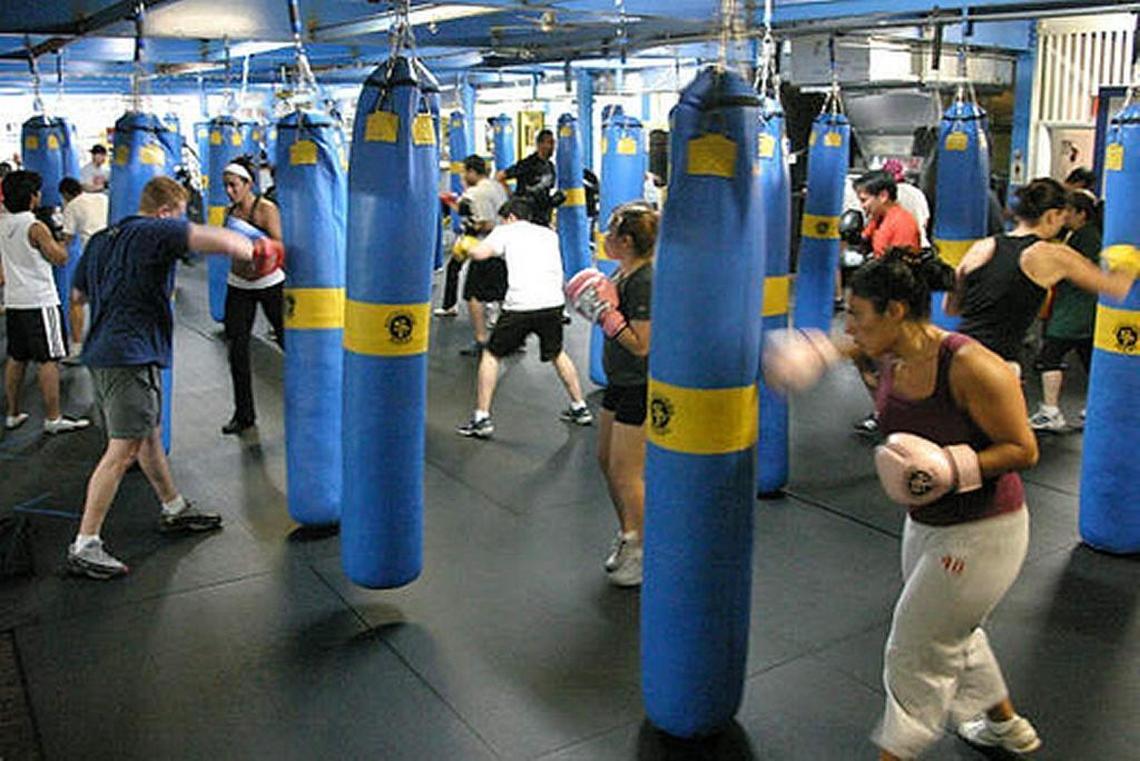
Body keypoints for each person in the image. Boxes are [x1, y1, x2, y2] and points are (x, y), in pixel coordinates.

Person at [764, 252, 1043, 760]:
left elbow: (1025, 449)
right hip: (925, 521)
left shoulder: (970, 366)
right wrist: (813, 352)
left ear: (895, 311)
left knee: (913, 652)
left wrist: (950, 468)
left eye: (858, 313)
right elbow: (843, 347)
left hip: (985, 531)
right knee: (949, 627)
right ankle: (1007, 727)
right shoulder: (882, 349)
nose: (849, 325)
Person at [68, 176, 278, 579]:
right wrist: (258, 249)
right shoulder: (158, 229)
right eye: (179, 215)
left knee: (147, 435)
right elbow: (223, 242)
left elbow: (78, 297)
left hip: (104, 352)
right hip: (129, 354)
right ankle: (85, 543)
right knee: (122, 450)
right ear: (167, 210)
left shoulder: (101, 240)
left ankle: (173, 507)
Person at [945, 178, 1134, 378]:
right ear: (1052, 216)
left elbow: (950, 308)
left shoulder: (982, 246)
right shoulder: (1052, 255)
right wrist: (1129, 261)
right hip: (994, 367)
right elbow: (1116, 288)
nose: (1063, 225)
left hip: (956, 354)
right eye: (1063, 218)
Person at [568, 202, 657, 588]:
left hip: (639, 383)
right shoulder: (623, 273)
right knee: (606, 461)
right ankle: (628, 535)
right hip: (619, 381)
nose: (603, 235)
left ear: (625, 241)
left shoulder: (644, 281)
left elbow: (641, 345)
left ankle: (643, 549)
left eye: (610, 231)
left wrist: (607, 317)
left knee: (626, 472)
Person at [455, 197, 592, 439]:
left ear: (510, 217)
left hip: (521, 306)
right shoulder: (549, 234)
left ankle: (481, 418)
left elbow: (480, 253)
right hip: (553, 304)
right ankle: (579, 407)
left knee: (491, 354)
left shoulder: (506, 231)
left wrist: (464, 243)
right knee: (557, 353)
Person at [1, 171, 90, 435]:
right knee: (48, 360)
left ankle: (13, 413)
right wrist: (60, 235)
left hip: (15, 301)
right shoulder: (35, 226)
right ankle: (53, 418)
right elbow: (60, 258)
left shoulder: (3, 223)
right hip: (40, 301)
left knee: (17, 358)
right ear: (31, 197)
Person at [220, 155, 284, 435]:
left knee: (289, 343)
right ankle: (244, 414)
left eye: (234, 185)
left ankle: (315, 400)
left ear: (248, 184)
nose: (230, 191)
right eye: (226, 186)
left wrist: (261, 248)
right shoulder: (229, 214)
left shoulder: (266, 209)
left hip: (270, 283)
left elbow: (279, 244)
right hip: (239, 286)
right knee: (237, 350)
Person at [1029, 189, 1102, 431]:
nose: (1065, 216)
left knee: (1049, 357)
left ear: (1082, 214)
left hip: (1074, 311)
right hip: (1082, 310)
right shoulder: (1081, 235)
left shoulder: (1085, 238)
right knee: (1090, 359)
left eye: (1069, 212)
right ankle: (1099, 407)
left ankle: (1050, 411)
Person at [437, 155, 509, 359]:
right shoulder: (496, 186)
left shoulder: (476, 192)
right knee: (502, 292)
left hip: (484, 245)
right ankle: (512, 337)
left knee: (473, 294)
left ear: (471, 172)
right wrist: (451, 202)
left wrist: (471, 230)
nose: (462, 176)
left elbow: (485, 223)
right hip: (503, 245)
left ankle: (481, 340)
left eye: (463, 172)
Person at [58, 176, 109, 359]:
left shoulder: (71, 206)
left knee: (76, 300)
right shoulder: (102, 198)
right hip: (114, 253)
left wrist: (52, 244)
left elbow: (67, 239)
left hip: (94, 255)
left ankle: (78, 348)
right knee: (107, 300)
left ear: (65, 194)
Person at [854, 171, 923, 259]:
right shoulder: (878, 217)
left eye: (864, 200)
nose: (862, 206)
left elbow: (899, 266)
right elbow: (864, 237)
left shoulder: (902, 224)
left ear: (883, 196)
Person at [496, 129, 557, 227]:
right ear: (539, 144)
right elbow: (500, 176)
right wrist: (511, 196)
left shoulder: (550, 166)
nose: (552, 147)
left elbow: (547, 190)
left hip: (542, 217)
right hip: (527, 216)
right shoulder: (527, 164)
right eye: (549, 143)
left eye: (553, 143)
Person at [881, 159, 931, 248]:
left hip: (894, 250)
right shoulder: (917, 192)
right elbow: (926, 220)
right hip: (921, 245)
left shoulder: (885, 196)